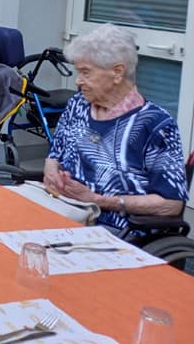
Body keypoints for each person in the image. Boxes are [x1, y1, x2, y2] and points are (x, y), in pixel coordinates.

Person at [42, 24, 188, 233]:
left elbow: (172, 204)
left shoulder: (155, 125)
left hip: (115, 229)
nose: (78, 80)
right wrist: (51, 172)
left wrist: (99, 200)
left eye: (85, 72)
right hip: (63, 211)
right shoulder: (78, 104)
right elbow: (55, 153)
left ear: (117, 72)